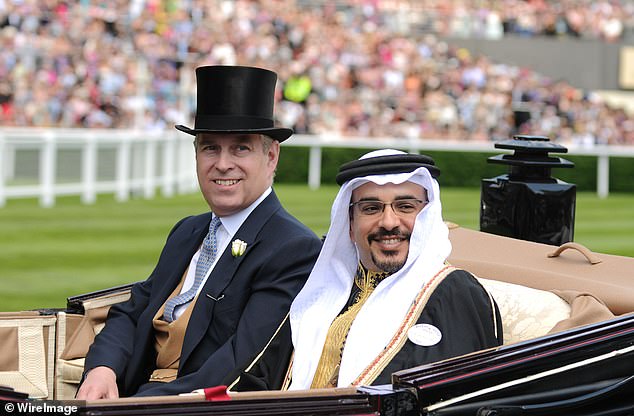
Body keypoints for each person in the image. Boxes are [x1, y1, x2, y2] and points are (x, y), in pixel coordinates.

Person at [76, 65, 322, 398]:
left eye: (240, 148)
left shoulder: (292, 248)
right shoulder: (188, 231)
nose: (222, 163)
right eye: (210, 148)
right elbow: (132, 312)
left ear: (271, 156)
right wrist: (102, 369)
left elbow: (240, 366)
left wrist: (133, 406)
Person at [228, 149, 503, 391]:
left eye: (405, 206)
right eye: (371, 208)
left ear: (428, 217)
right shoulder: (321, 293)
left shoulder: (454, 294)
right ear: (349, 223)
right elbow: (260, 381)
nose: (388, 222)